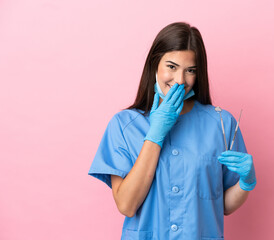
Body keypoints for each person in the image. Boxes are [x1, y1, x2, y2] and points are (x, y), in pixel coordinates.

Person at [88, 21, 257, 240]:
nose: (179, 80)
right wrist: (155, 134)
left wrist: (246, 183)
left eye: (190, 70)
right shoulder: (124, 125)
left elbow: (223, 205)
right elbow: (127, 205)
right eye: (171, 66)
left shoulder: (221, 123)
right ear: (154, 65)